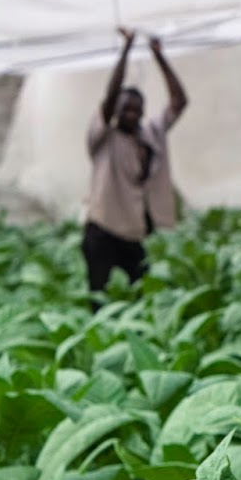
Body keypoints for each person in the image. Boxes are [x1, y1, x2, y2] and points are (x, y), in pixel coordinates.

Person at [83, 28, 187, 296]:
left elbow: (179, 101)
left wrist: (159, 57)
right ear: (115, 110)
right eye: (125, 107)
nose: (131, 113)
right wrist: (126, 50)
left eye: (136, 108)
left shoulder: (150, 135)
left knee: (142, 297)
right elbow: (109, 97)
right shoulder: (103, 137)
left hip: (134, 235)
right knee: (101, 300)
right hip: (103, 231)